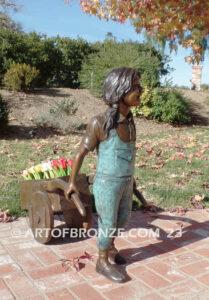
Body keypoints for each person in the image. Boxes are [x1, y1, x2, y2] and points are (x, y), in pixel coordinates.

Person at [66, 67, 143, 283]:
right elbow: (82, 151)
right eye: (136, 87)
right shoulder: (99, 122)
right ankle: (101, 262)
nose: (141, 90)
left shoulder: (130, 121)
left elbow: (128, 154)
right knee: (107, 222)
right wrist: (72, 182)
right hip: (107, 183)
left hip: (126, 182)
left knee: (124, 218)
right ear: (120, 90)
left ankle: (109, 247)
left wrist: (132, 180)